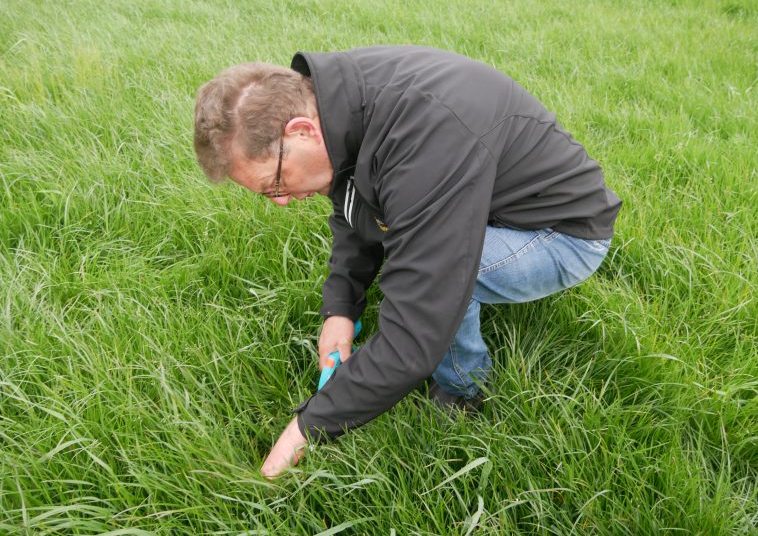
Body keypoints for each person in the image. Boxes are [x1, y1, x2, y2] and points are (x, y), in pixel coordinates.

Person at [193, 46, 622, 478]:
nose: (282, 201)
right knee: (424, 257)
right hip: (488, 201)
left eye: (275, 183)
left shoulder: (426, 136)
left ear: (302, 130)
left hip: (560, 234)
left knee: (450, 278)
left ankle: (463, 390)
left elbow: (418, 327)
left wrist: (307, 426)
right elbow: (354, 203)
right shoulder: (339, 106)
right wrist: (341, 308)